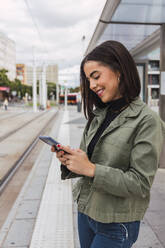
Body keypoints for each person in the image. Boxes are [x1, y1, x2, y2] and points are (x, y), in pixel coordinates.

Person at [51, 40, 165, 248]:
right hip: (86, 211)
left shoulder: (147, 121)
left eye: (96, 76)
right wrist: (71, 160)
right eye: (88, 80)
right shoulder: (99, 114)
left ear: (119, 70)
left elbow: (140, 183)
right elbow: (88, 162)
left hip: (116, 222)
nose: (92, 85)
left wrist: (91, 169)